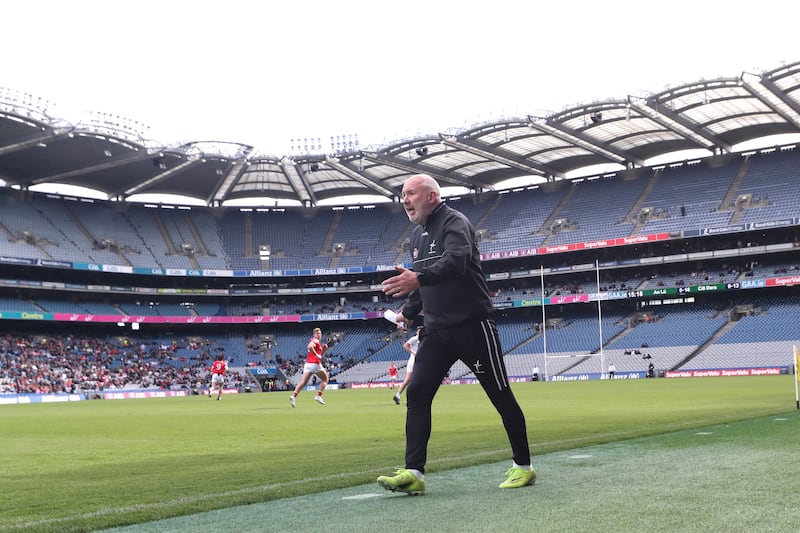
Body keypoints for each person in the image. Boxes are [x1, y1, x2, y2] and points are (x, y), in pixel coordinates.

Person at [376, 174, 534, 495]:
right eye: (402, 195)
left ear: (431, 196)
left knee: (500, 395)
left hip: (473, 327)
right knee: (417, 393)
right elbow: (424, 285)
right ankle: (414, 472)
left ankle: (523, 467)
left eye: (410, 193)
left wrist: (418, 278)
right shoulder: (417, 237)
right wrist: (409, 311)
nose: (404, 200)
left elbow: (457, 262)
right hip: (436, 332)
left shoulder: (454, 222)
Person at [290, 327, 328, 407]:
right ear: (314, 334)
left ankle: (294, 396)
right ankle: (319, 396)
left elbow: (319, 353)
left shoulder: (318, 343)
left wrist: (323, 348)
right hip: (315, 364)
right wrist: (316, 355)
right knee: (325, 379)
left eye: (320, 333)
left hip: (308, 365)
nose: (319, 335)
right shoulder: (315, 341)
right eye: (317, 333)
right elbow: (310, 347)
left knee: (303, 383)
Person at [393, 325, 422, 405]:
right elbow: (405, 345)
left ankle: (398, 395)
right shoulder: (415, 338)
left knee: (408, 380)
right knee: (410, 379)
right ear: (417, 332)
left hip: (417, 361)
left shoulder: (422, 339)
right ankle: (401, 395)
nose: (420, 332)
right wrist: (413, 353)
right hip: (414, 361)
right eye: (419, 331)